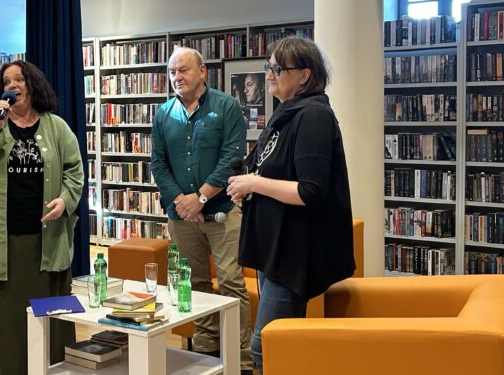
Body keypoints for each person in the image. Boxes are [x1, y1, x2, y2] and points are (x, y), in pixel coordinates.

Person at [226, 37, 356, 372]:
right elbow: (270, 171)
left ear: (304, 75)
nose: (270, 74)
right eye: (269, 67)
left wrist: (254, 183)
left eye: (278, 68)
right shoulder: (285, 116)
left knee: (267, 344)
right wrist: (247, 186)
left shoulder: (313, 117)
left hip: (294, 250)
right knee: (272, 341)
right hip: (275, 247)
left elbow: (310, 191)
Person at [0, 60, 84, 374]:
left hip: (45, 239)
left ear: (32, 85)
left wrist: (65, 199)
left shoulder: (56, 126)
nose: (14, 85)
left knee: (46, 311)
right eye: (7, 80)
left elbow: (75, 171)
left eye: (20, 79)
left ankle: (50, 367)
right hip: (5, 241)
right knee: (9, 314)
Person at [151, 46, 254, 374]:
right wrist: (182, 201)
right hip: (181, 216)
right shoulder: (163, 113)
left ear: (203, 72)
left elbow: (233, 158)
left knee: (231, 282)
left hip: (223, 211)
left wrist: (202, 198)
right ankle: (207, 350)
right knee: (194, 284)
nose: (177, 77)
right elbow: (158, 163)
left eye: (183, 70)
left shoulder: (226, 107)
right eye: (172, 72)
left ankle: (241, 359)